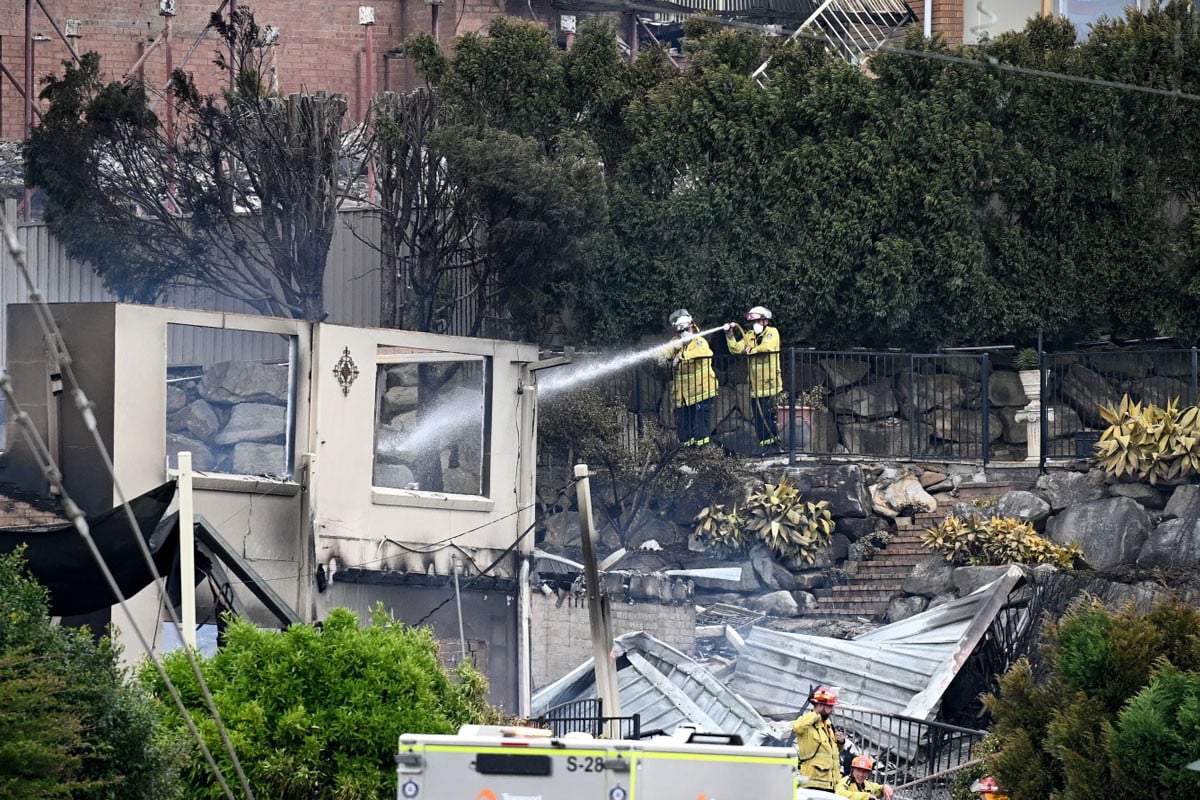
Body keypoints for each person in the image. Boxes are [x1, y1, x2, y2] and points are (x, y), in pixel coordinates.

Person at [724, 305, 781, 448]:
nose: (755, 325)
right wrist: (729, 335)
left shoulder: (772, 332)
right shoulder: (749, 335)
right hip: (755, 387)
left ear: (765, 321)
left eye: (757, 321)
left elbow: (767, 347)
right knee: (758, 419)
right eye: (753, 322)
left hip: (770, 385)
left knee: (769, 418)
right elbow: (736, 349)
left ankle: (774, 446)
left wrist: (751, 349)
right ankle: (764, 447)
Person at [661, 309, 718, 447]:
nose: (684, 333)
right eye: (681, 331)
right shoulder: (676, 343)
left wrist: (681, 357)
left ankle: (703, 455)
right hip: (684, 397)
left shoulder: (699, 342)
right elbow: (663, 351)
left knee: (701, 429)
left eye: (686, 329)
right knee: (684, 429)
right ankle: (689, 455)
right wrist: (662, 358)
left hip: (701, 393)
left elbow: (705, 352)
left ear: (692, 327)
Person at [793, 687, 842, 792]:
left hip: (829, 785)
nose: (832, 710)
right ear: (821, 706)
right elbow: (797, 727)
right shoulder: (808, 723)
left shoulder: (828, 726)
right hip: (812, 784)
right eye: (830, 707)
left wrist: (841, 742)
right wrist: (816, 713)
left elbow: (830, 753)